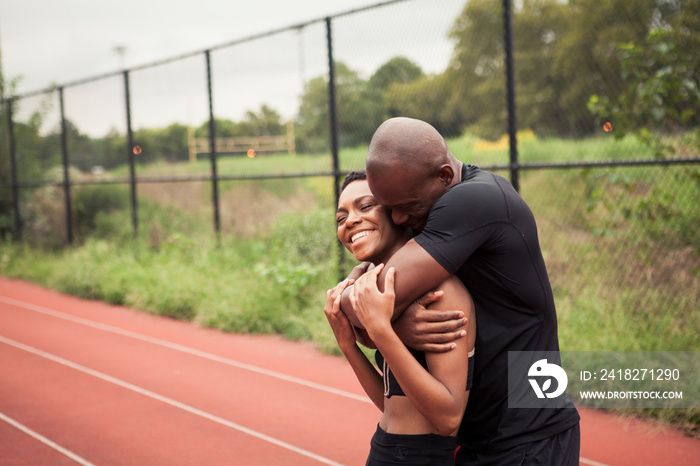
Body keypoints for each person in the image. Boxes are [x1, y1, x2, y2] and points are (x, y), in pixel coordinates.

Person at [339, 117, 580, 465]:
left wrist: (379, 318)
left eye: (407, 206)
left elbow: (367, 301)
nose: (401, 219)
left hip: (527, 435)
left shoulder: (473, 200)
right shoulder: (446, 202)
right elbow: (366, 307)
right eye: (390, 208)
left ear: (444, 176)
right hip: (485, 433)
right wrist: (381, 316)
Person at [324, 170, 476, 466]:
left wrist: (381, 330)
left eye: (365, 206)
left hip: (427, 456)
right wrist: (349, 347)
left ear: (397, 212)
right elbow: (391, 406)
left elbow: (448, 419)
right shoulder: (375, 288)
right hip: (384, 447)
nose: (351, 221)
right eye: (341, 218)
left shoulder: (439, 292)